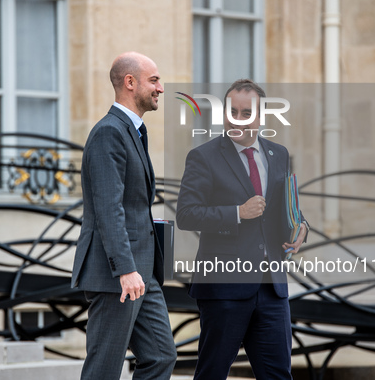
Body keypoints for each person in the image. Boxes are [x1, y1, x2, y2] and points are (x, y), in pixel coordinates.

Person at [176, 79, 309, 379]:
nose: (238, 119)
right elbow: (186, 214)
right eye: (232, 111)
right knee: (212, 373)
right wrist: (237, 213)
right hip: (223, 287)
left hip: (272, 288)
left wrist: (301, 227)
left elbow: (289, 207)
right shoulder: (203, 156)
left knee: (278, 375)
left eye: (246, 113)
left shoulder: (279, 154)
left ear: (261, 117)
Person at [72, 52, 177, 380]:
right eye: (154, 80)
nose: (160, 88)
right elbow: (108, 208)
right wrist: (126, 269)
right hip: (118, 274)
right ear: (130, 83)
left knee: (161, 356)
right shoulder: (109, 132)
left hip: (144, 272)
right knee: (104, 368)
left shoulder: (133, 131)